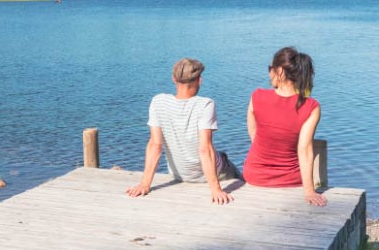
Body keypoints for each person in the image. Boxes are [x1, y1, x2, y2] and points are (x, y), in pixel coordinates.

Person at [126, 58, 240, 204]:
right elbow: (205, 149)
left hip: (178, 174)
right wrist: (216, 190)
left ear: (174, 79)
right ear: (200, 80)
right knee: (234, 170)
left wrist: (144, 184)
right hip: (215, 173)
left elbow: (155, 145)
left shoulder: (158, 102)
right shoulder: (205, 104)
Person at [242, 47, 326, 206]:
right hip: (291, 179)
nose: (269, 74)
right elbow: (305, 149)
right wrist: (309, 191)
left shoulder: (257, 96)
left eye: (270, 69)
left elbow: (254, 134)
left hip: (255, 176)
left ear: (279, 71)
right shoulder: (311, 106)